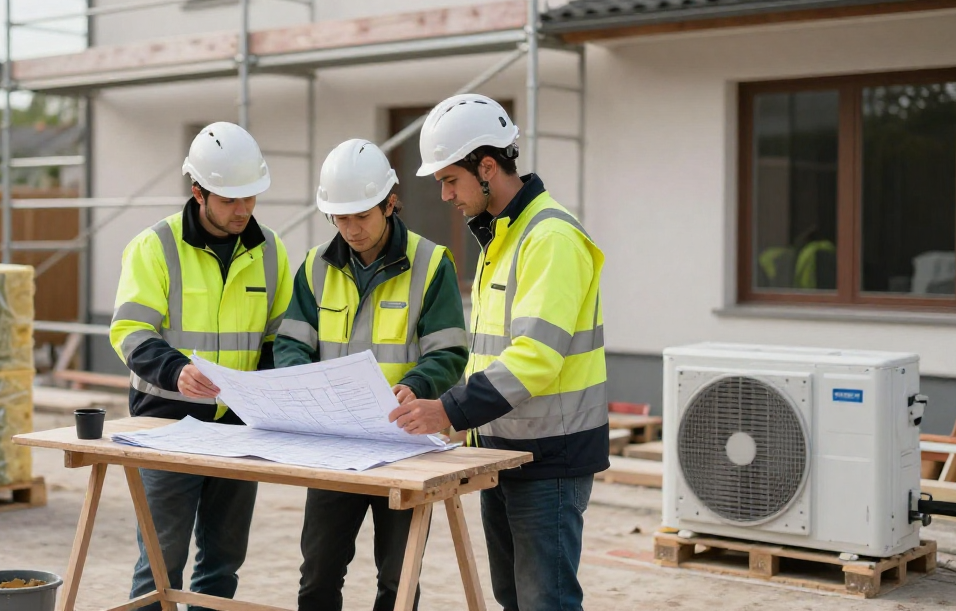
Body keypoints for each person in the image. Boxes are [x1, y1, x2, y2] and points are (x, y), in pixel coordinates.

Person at [388, 95, 609, 611]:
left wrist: (450, 409)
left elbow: (535, 356)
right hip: (503, 452)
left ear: (487, 167)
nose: (445, 194)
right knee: (513, 597)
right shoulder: (501, 236)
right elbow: (491, 353)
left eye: (451, 180)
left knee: (545, 602)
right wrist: (453, 412)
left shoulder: (549, 237)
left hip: (550, 458)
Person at [274, 138, 468, 611]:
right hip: (334, 445)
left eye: (361, 216)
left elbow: (449, 351)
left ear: (390, 203)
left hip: (403, 444)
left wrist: (417, 386)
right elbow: (291, 343)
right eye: (340, 218)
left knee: (398, 579)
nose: (351, 229)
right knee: (318, 574)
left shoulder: (431, 264)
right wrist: (303, 383)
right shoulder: (315, 267)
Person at [109, 121, 292, 611]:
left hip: (241, 428)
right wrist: (176, 371)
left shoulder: (270, 249)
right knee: (160, 563)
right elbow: (130, 332)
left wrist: (265, 389)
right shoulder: (155, 246)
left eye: (250, 197)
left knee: (223, 560)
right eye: (230, 200)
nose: (243, 210)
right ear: (198, 192)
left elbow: (279, 337)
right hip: (166, 427)